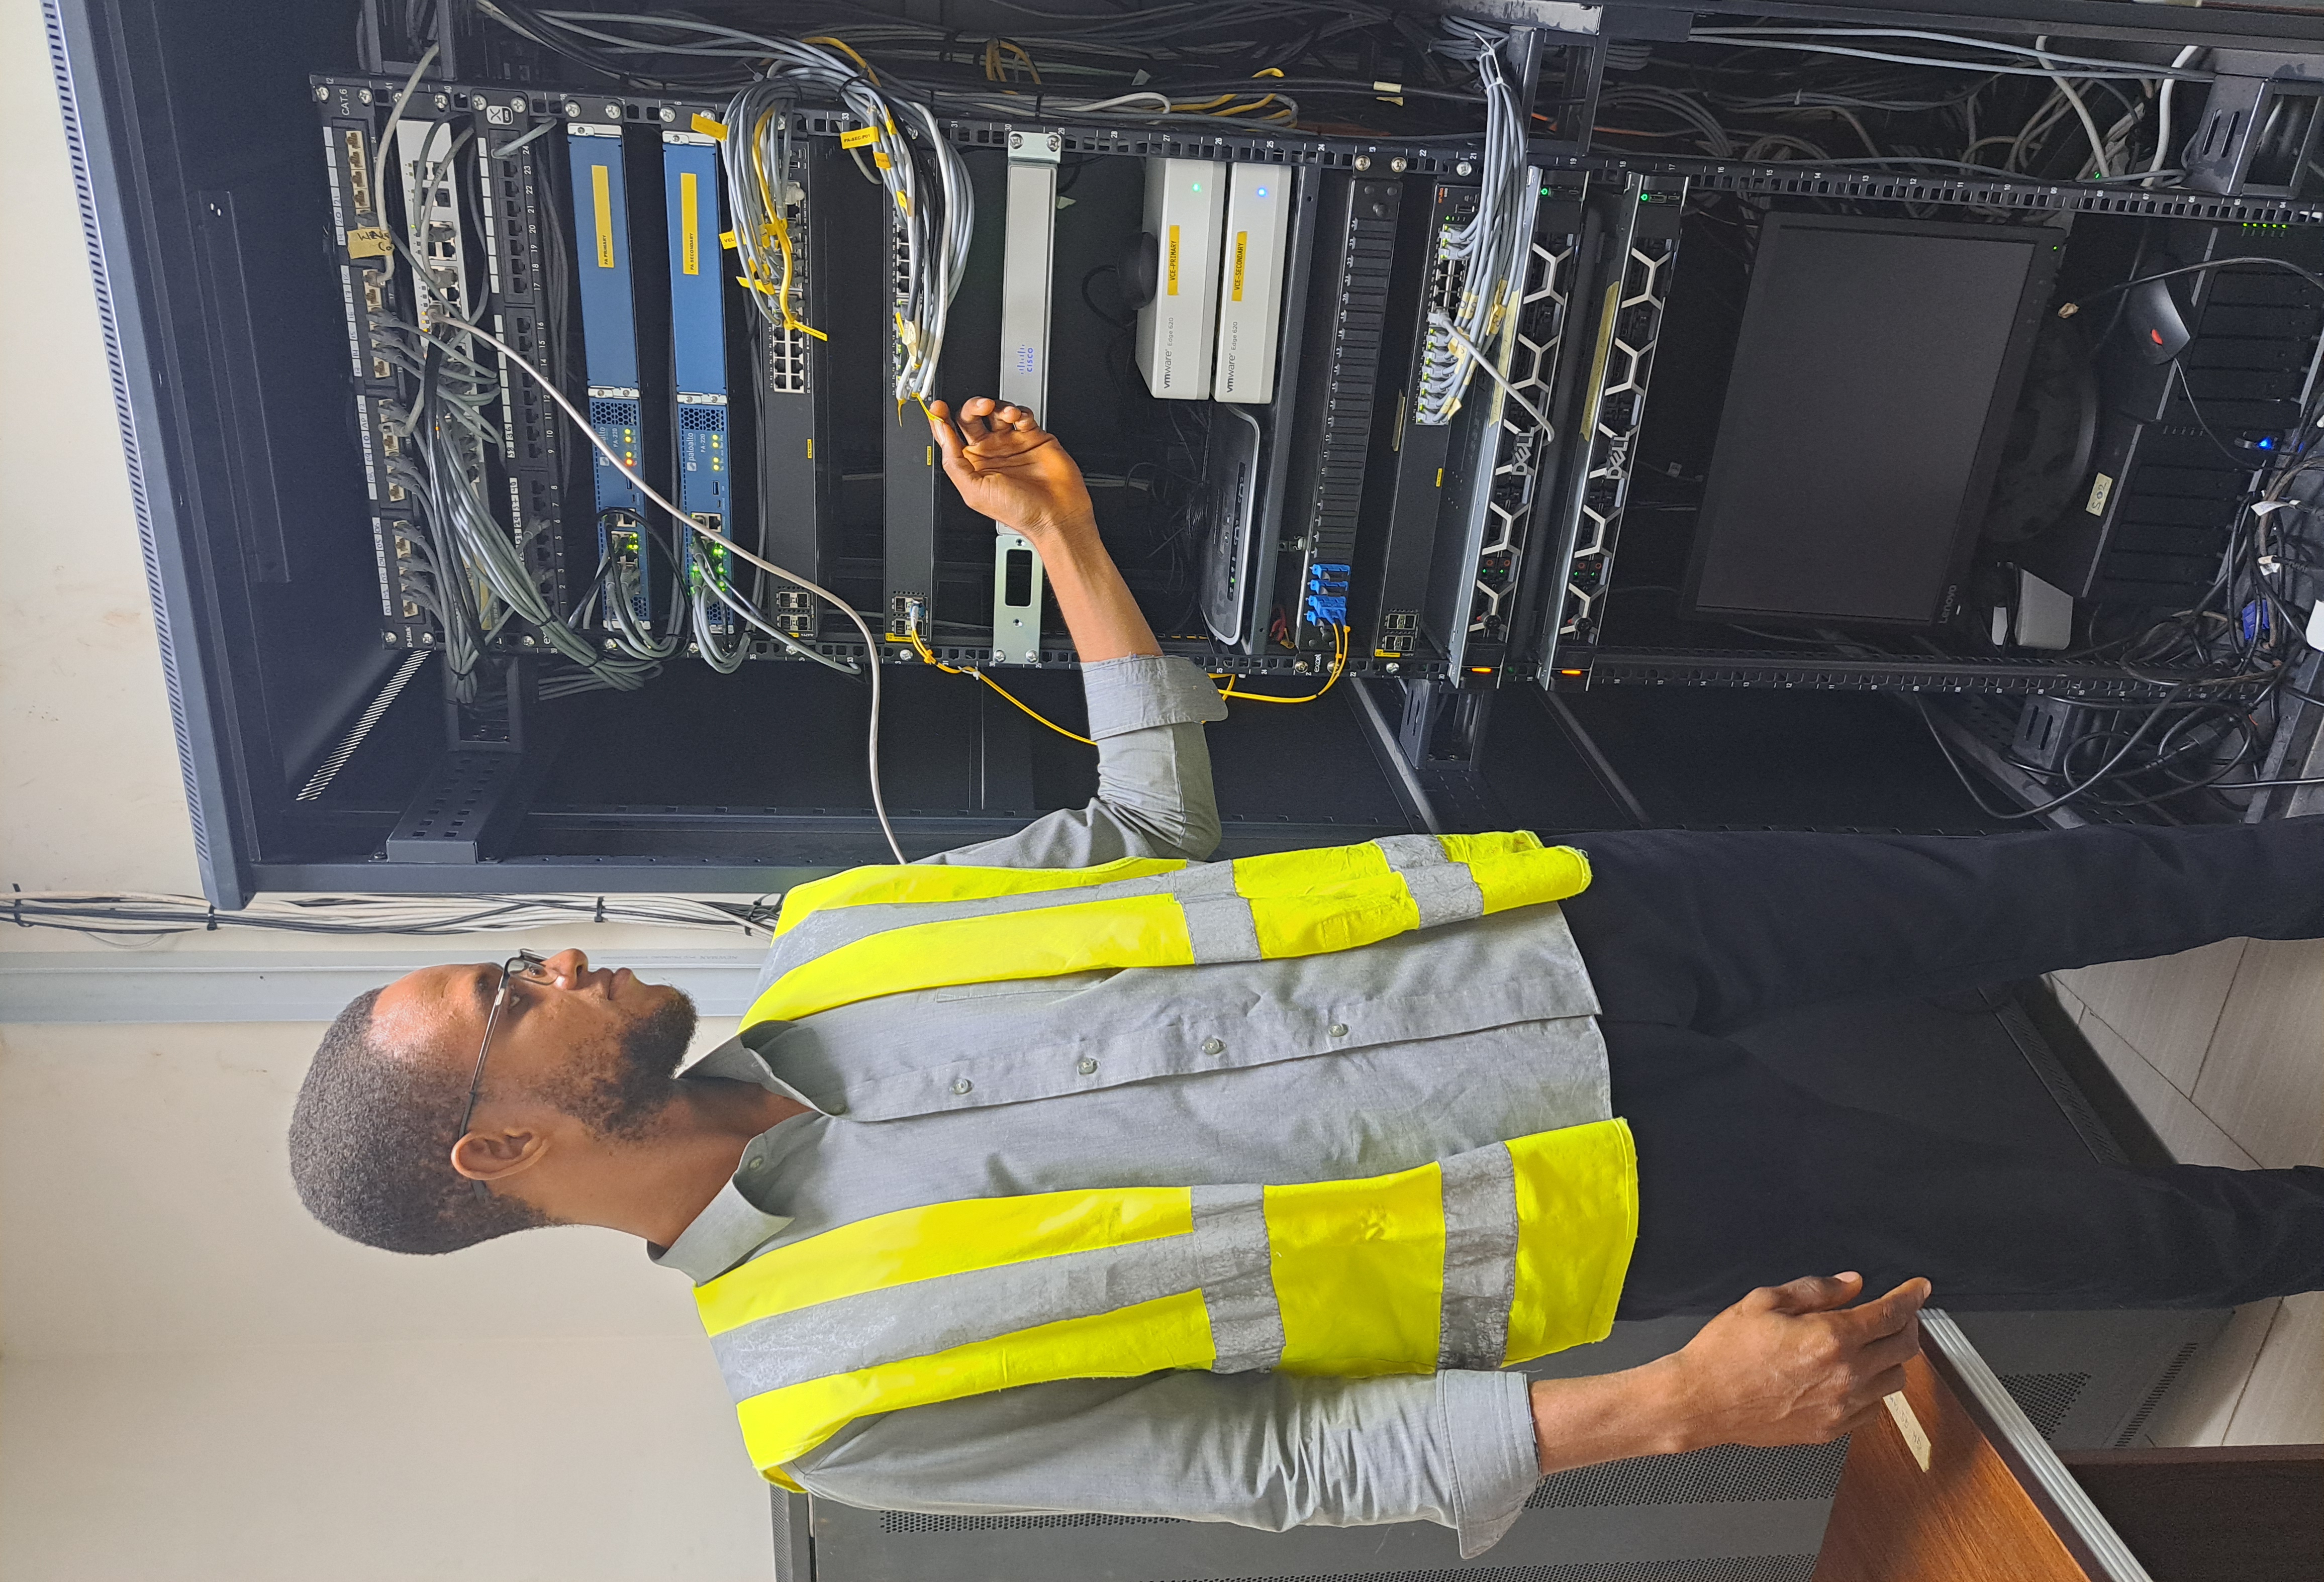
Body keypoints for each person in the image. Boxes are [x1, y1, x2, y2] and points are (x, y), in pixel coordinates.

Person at [290, 398, 2324, 1557]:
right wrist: (1672, 1407)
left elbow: (1139, 828)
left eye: (512, 956)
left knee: (2066, 884)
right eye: (507, 996)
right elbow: (1275, 1461)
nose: (559, 958)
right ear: (498, 1150)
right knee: (2139, 1235)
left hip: (1546, 924)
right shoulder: (827, 1402)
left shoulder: (839, 937)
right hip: (1593, 1197)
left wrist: (1066, 537)